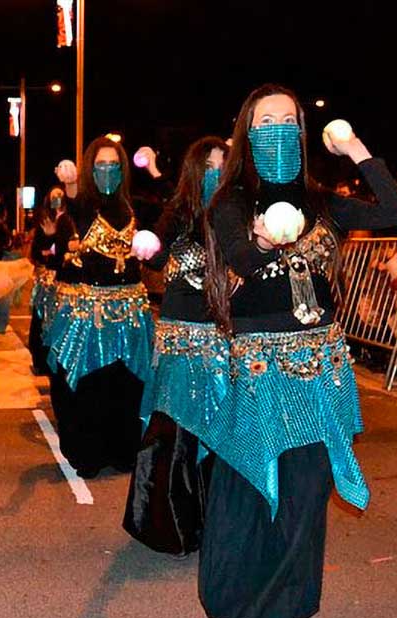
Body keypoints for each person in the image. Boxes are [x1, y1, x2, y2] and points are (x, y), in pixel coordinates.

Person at [198, 84, 397, 618]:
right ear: (247, 131)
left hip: (320, 368)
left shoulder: (323, 201)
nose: (278, 130)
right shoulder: (231, 203)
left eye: (288, 121)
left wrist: (356, 148)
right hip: (263, 370)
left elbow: (396, 214)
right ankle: (251, 604)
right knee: (259, 487)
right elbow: (241, 259)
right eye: (265, 121)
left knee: (308, 491)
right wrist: (267, 236)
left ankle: (286, 607)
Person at [123, 136, 228, 556]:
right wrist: (149, 243)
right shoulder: (179, 212)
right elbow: (153, 252)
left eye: (223, 166)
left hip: (223, 338)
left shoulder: (237, 214)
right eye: (208, 167)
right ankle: (170, 525)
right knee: (173, 432)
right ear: (193, 172)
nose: (215, 174)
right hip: (181, 336)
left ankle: (219, 525)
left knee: (220, 431)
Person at [44, 136, 159, 478]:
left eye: (113, 165)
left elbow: (173, 208)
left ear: (123, 169)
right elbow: (74, 203)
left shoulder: (137, 208)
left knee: (129, 383)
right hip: (89, 316)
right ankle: (88, 453)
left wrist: (153, 170)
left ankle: (125, 450)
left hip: (132, 315)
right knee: (89, 384)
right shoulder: (79, 211)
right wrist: (69, 182)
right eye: (100, 166)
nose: (107, 171)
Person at [27, 188, 76, 374]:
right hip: (48, 279)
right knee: (42, 319)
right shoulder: (45, 219)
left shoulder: (68, 219)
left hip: (63, 279)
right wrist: (49, 237)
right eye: (53, 196)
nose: (57, 199)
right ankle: (40, 360)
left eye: (60, 195)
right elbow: (38, 251)